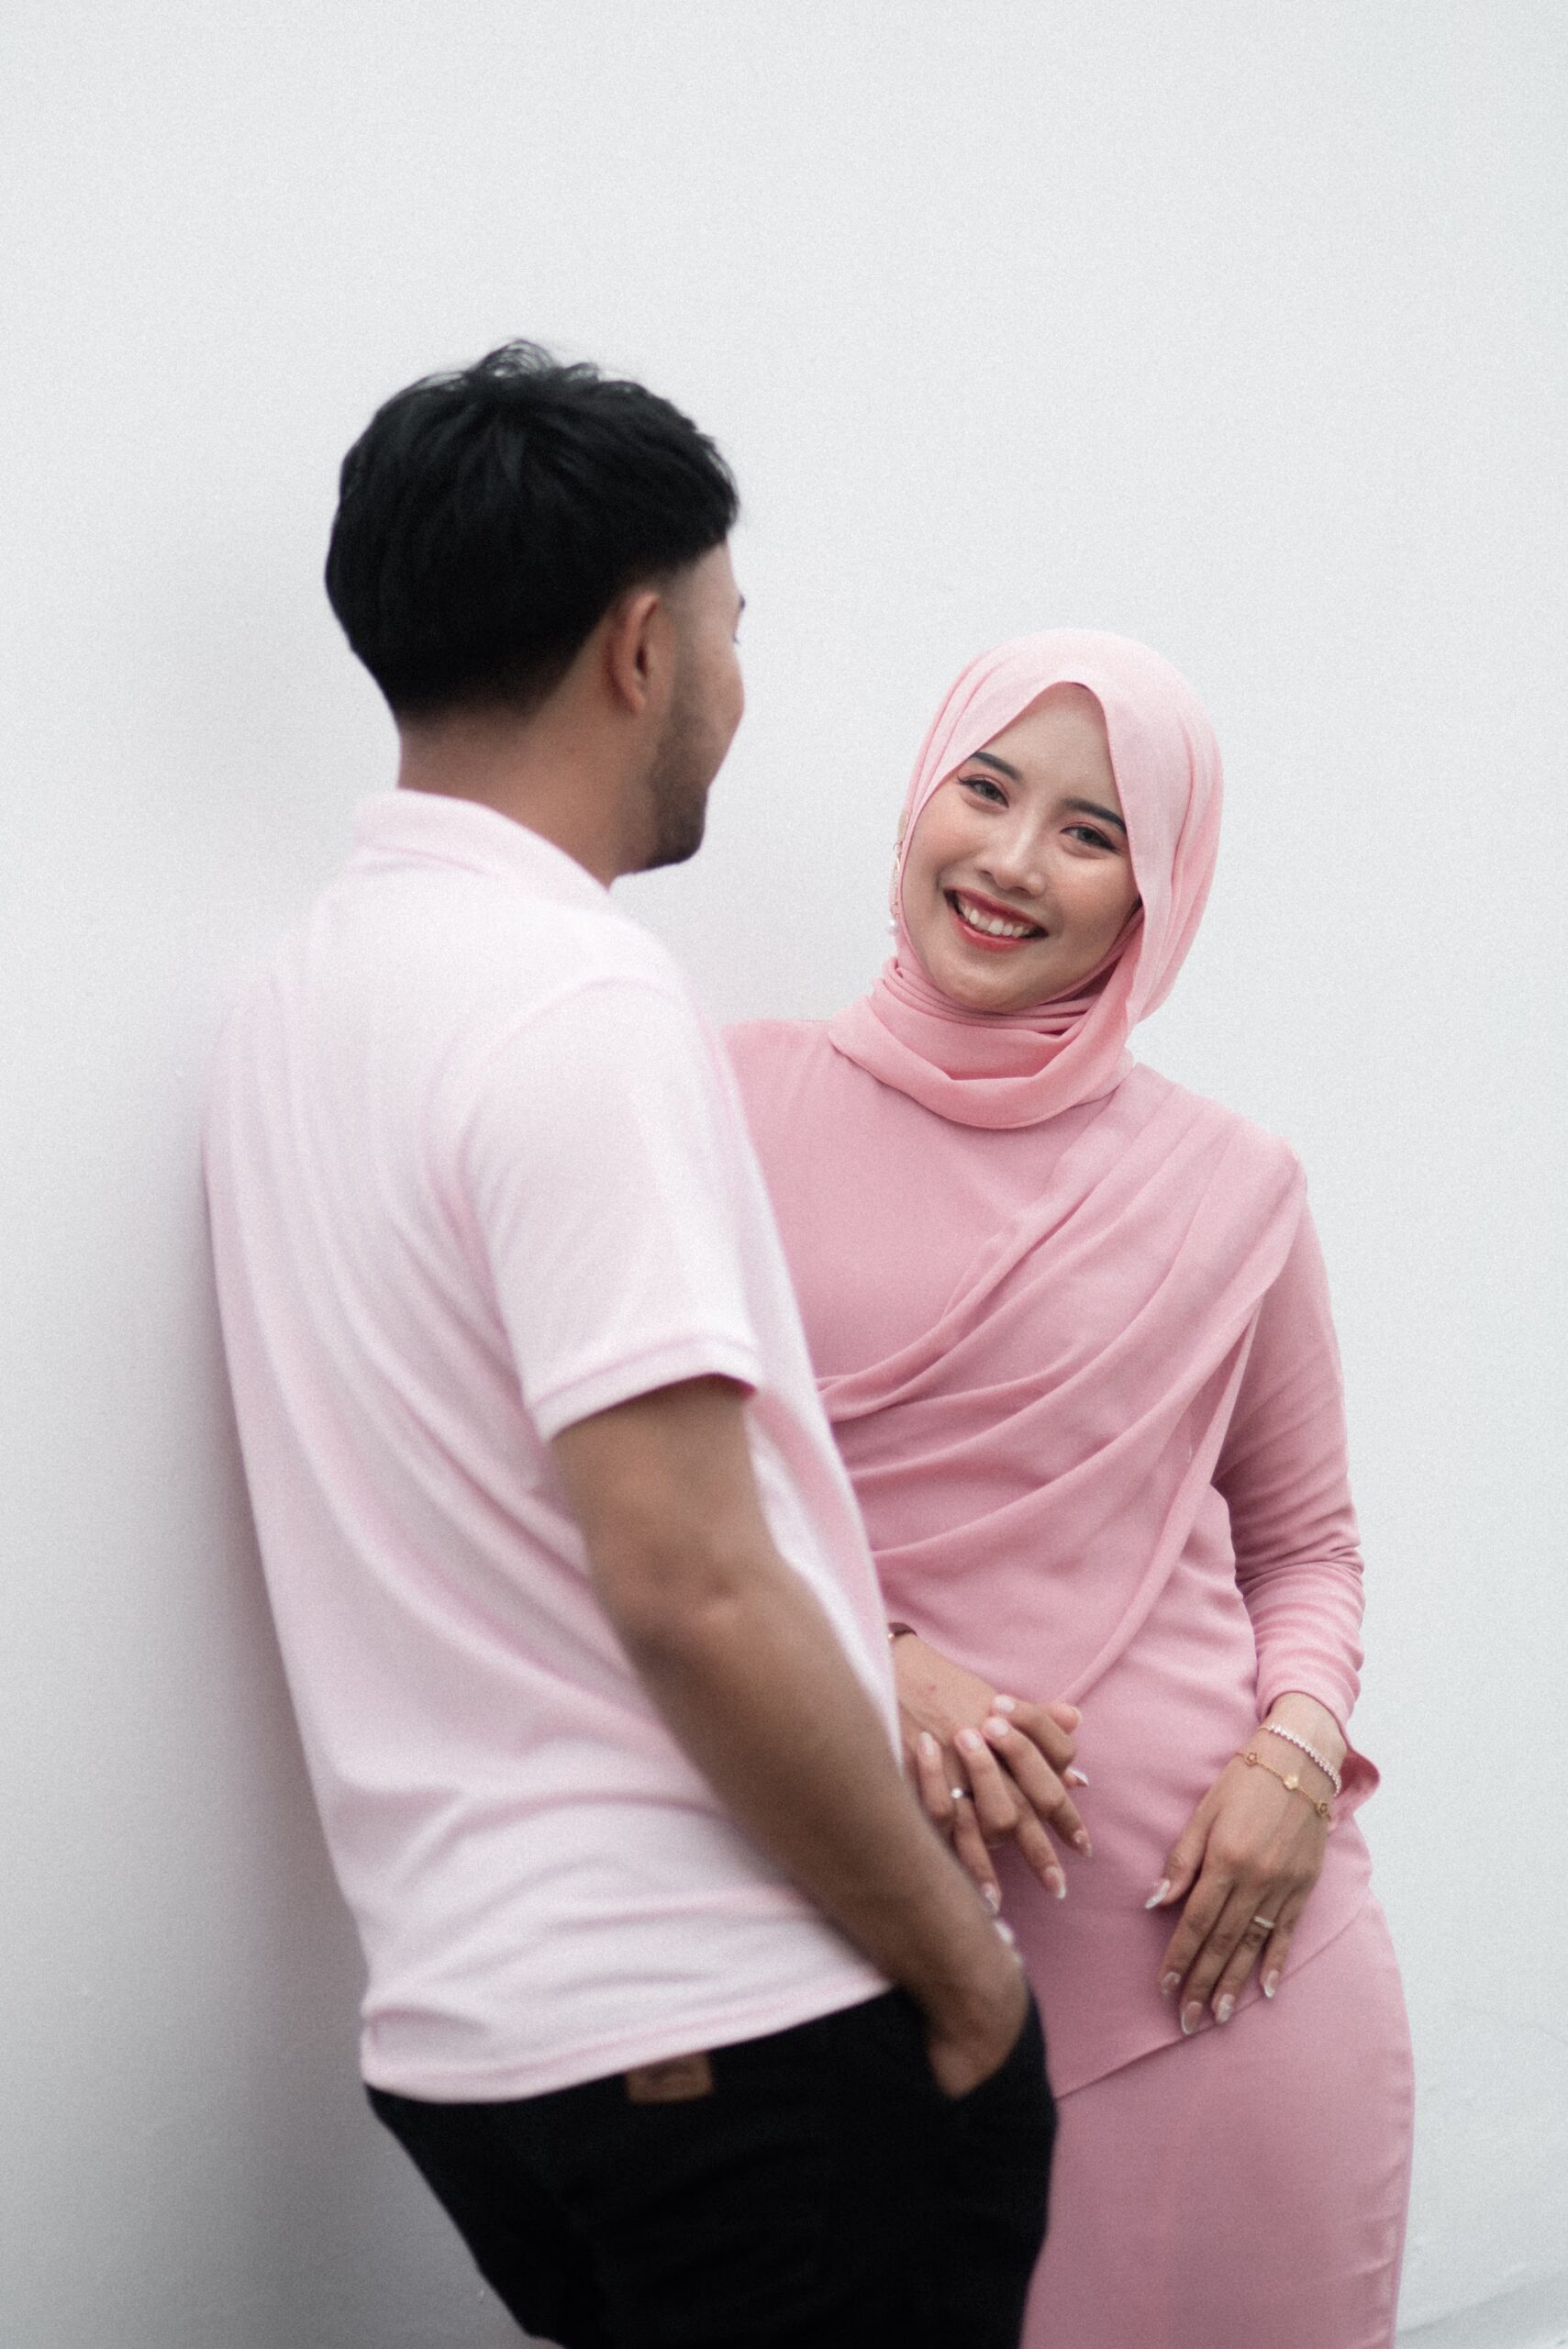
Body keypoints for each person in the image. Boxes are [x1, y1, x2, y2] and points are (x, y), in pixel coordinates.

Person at [203, 345, 1055, 2349]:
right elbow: (690, 1578)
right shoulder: (573, 1000)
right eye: (732, 629)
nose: (738, 688)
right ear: (640, 647)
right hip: (732, 2029)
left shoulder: (296, 998)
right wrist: (963, 1977)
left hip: (475, 2048)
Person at [727, 629, 1415, 2349]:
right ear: (919, 800)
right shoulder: (719, 1109)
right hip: (866, 1960)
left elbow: (1305, 1544)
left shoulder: (1232, 1183)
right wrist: (877, 1655)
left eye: (1091, 832)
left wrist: (1295, 1761)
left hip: (1224, 1961)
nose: (1013, 862)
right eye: (985, 790)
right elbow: (647, 1518)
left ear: (1151, 898)